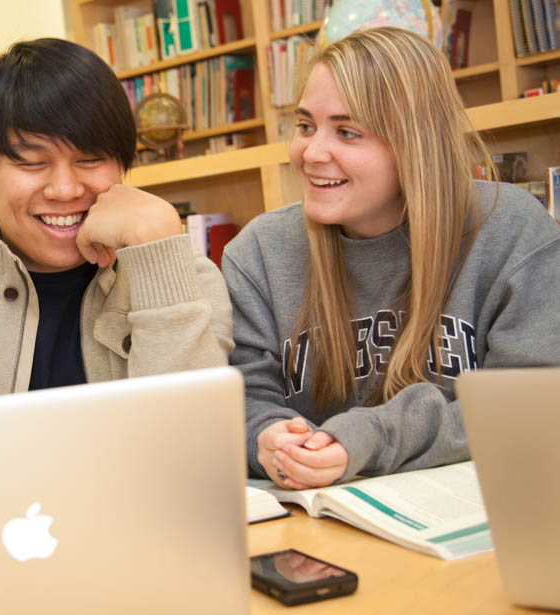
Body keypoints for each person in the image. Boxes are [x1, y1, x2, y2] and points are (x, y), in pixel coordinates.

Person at [223, 27, 560, 491]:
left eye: (347, 131)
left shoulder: (511, 230)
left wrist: (369, 437)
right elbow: (244, 399)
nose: (311, 152)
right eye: (305, 126)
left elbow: (533, 405)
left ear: (415, 145)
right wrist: (268, 437)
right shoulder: (257, 252)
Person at [0, 38, 232, 412]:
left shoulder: (189, 280)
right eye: (31, 162)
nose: (64, 190)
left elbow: (195, 449)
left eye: (90, 159)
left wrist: (160, 258)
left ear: (122, 163)